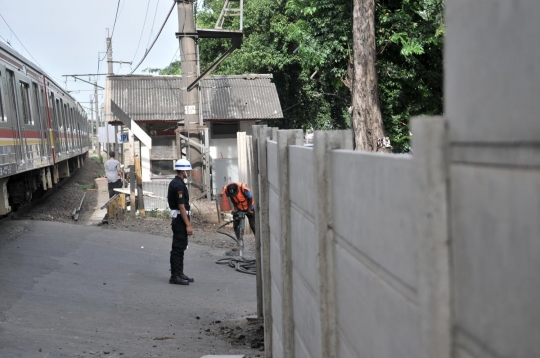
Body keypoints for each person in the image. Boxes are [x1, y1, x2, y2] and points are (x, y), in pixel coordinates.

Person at [167, 159, 194, 285]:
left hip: (180, 217)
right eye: (188, 170)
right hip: (179, 219)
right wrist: (188, 224)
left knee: (182, 246)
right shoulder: (178, 185)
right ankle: (175, 276)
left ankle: (180, 273)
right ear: (183, 170)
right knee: (178, 247)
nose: (189, 172)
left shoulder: (178, 182)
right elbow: (181, 206)